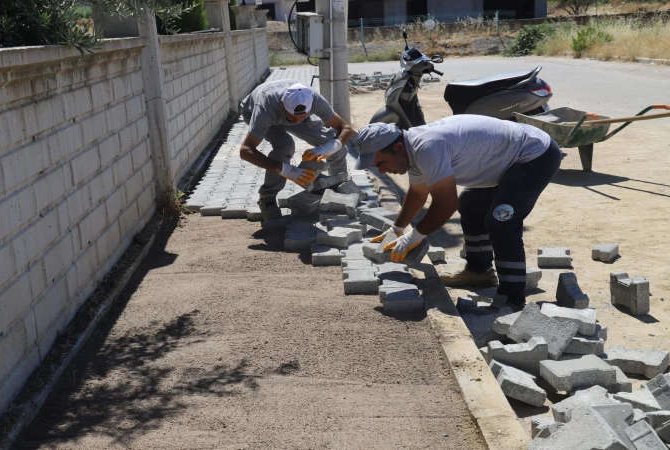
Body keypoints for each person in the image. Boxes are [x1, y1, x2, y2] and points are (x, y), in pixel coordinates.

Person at [352, 115, 561, 309]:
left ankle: (512, 299)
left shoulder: (427, 147)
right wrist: (397, 228)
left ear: (397, 147)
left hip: (533, 155)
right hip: (505, 159)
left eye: (381, 163)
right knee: (471, 204)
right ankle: (480, 273)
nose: (381, 170)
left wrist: (413, 237)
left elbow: (445, 204)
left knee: (502, 222)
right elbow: (418, 193)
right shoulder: (411, 153)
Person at [239, 80, 355, 219]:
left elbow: (346, 129)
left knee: (334, 145)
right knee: (284, 146)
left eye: (302, 117)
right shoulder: (265, 108)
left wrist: (331, 146)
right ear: (283, 104)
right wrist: (284, 169)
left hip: (285, 111)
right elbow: (246, 150)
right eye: (292, 118)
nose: (296, 122)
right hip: (255, 111)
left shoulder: (314, 100)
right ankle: (267, 198)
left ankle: (340, 189)